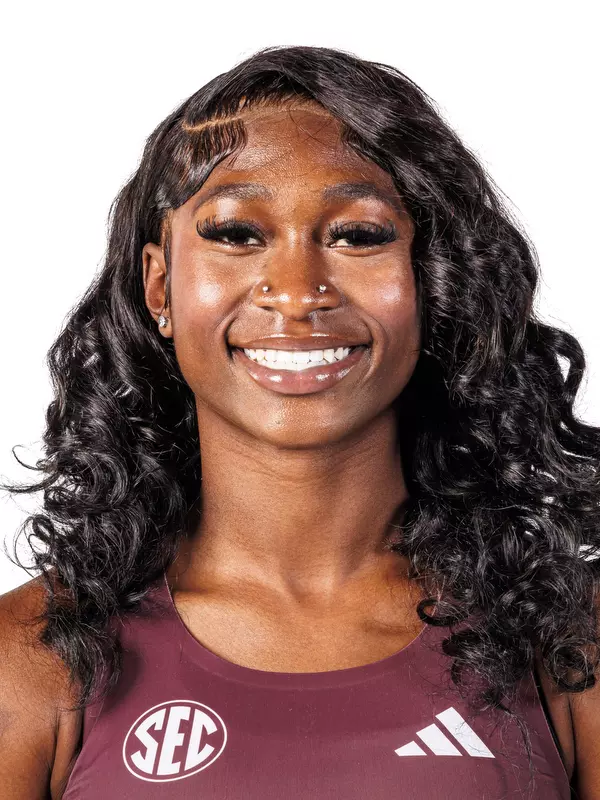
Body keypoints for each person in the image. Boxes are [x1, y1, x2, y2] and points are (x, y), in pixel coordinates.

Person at [0, 44, 599, 799]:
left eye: (358, 235)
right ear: (160, 285)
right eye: (237, 234)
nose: (296, 290)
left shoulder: (570, 638)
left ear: (432, 281)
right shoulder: (33, 660)